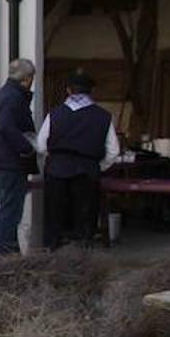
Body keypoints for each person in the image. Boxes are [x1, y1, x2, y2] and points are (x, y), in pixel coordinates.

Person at [37, 71, 120, 250]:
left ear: (68, 91)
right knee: (84, 219)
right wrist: (98, 166)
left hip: (57, 171)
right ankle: (82, 259)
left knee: (55, 218)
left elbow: (41, 145)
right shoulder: (103, 116)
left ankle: (51, 253)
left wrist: (52, 162)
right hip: (87, 171)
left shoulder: (55, 114)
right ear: (91, 92)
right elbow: (113, 151)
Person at [0, 58, 38, 255]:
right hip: (10, 163)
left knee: (10, 210)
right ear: (26, 79)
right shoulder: (12, 98)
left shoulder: (4, 95)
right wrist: (27, 147)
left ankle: (11, 255)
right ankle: (5, 257)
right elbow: (5, 127)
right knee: (10, 212)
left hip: (2, 161)